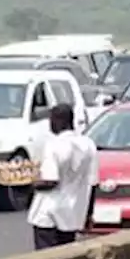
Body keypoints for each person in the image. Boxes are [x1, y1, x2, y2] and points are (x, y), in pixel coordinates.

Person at [29, 103, 98, 250]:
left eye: (51, 120)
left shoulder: (53, 145)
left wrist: (30, 184)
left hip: (48, 215)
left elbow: (50, 181)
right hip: (71, 215)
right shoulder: (88, 144)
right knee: (65, 258)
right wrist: (89, 213)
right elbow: (93, 183)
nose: (49, 124)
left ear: (59, 121)